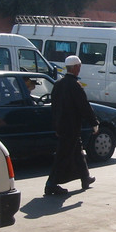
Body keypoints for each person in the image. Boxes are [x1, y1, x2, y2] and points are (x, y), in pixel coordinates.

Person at [45, 55, 99, 195]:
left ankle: (85, 177)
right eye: (79, 67)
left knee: (77, 151)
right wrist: (94, 123)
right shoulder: (75, 85)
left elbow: (54, 107)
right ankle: (51, 184)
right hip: (71, 127)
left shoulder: (58, 84)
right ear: (75, 68)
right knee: (63, 155)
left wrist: (56, 125)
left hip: (62, 126)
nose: (79, 69)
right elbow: (84, 106)